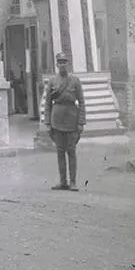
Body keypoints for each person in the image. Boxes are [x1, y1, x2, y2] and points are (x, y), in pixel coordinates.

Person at [45, 52, 86, 191]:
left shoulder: (75, 81)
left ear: (68, 64)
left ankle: (73, 182)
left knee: (71, 152)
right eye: (60, 62)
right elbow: (47, 104)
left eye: (64, 62)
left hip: (71, 120)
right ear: (56, 64)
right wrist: (47, 123)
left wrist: (81, 122)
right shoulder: (52, 81)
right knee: (60, 152)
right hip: (56, 120)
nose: (62, 65)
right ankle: (63, 182)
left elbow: (81, 102)